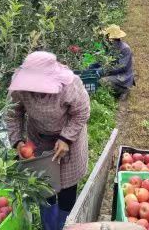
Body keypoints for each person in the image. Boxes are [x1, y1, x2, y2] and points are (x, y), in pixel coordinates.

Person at [6, 51, 90, 230]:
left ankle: (65, 224)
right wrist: (17, 141)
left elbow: (81, 112)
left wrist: (66, 138)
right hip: (38, 139)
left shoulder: (69, 85)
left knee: (67, 187)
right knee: (44, 185)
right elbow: (13, 113)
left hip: (70, 139)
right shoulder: (20, 88)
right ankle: (49, 225)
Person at [98, 24, 135, 100]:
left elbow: (122, 66)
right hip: (114, 73)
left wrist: (106, 70)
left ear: (112, 38)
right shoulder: (111, 47)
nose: (106, 39)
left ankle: (124, 90)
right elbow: (106, 60)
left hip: (123, 76)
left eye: (107, 37)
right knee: (97, 78)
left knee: (102, 81)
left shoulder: (125, 49)